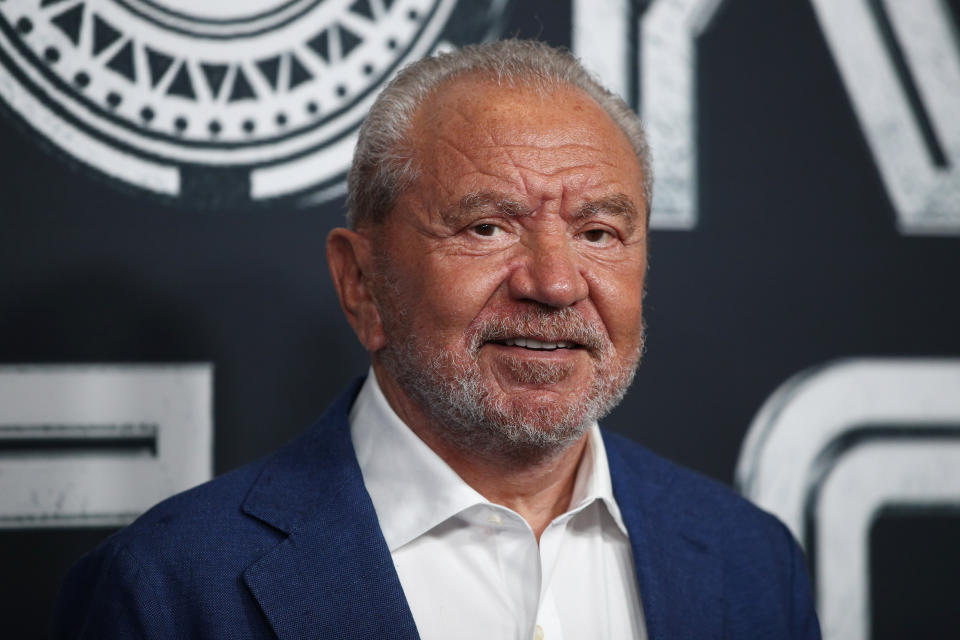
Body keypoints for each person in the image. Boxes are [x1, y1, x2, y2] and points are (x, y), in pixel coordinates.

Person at [54, 40, 820, 639]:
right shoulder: (170, 589)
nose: (554, 283)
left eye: (598, 232)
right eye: (486, 227)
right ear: (362, 283)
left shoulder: (750, 562)